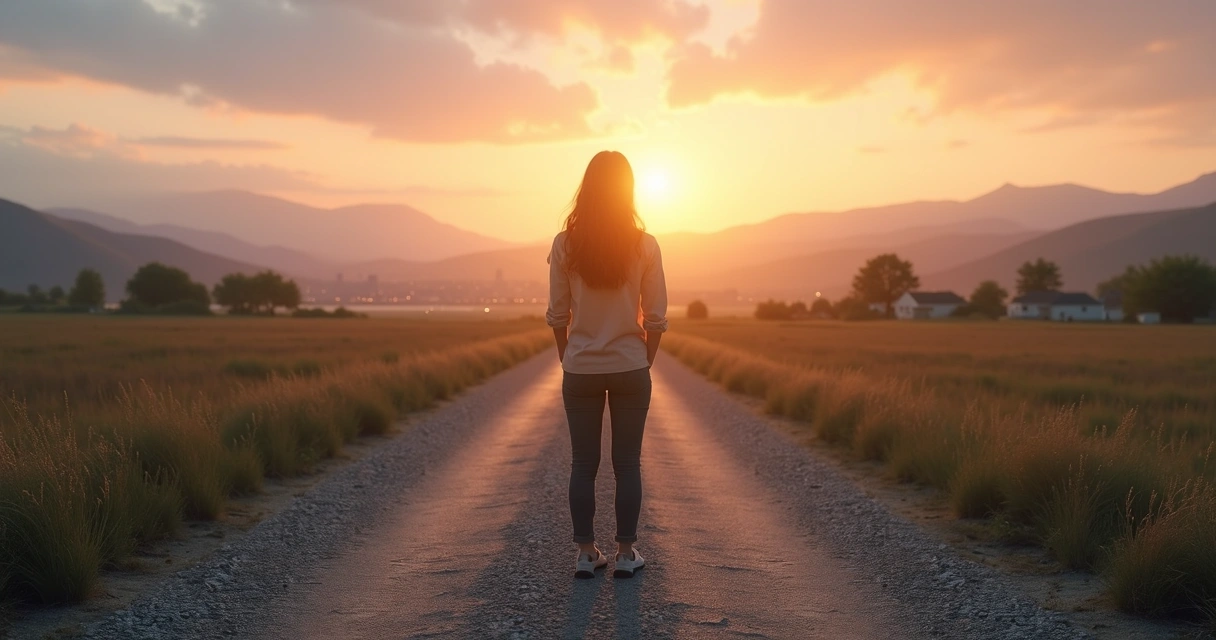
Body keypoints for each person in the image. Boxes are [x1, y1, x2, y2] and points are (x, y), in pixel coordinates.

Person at [546, 150, 668, 579]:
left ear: (588, 188)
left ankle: (585, 553)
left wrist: (568, 354)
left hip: (580, 366)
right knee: (628, 463)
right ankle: (626, 553)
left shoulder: (565, 244)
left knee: (583, 464)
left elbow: (557, 314)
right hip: (631, 366)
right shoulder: (645, 245)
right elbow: (656, 318)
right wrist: (644, 360)